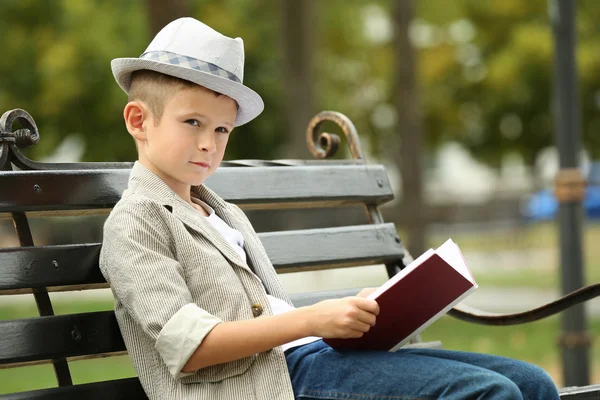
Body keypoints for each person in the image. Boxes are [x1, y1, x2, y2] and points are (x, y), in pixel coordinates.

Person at [99, 17, 560, 400]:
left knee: (533, 384)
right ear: (139, 120)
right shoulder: (137, 220)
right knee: (487, 393)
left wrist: (353, 318)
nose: (208, 143)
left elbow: (277, 319)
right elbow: (188, 345)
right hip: (269, 386)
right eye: (192, 122)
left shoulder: (223, 214)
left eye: (221, 130)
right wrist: (312, 318)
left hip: (312, 358)